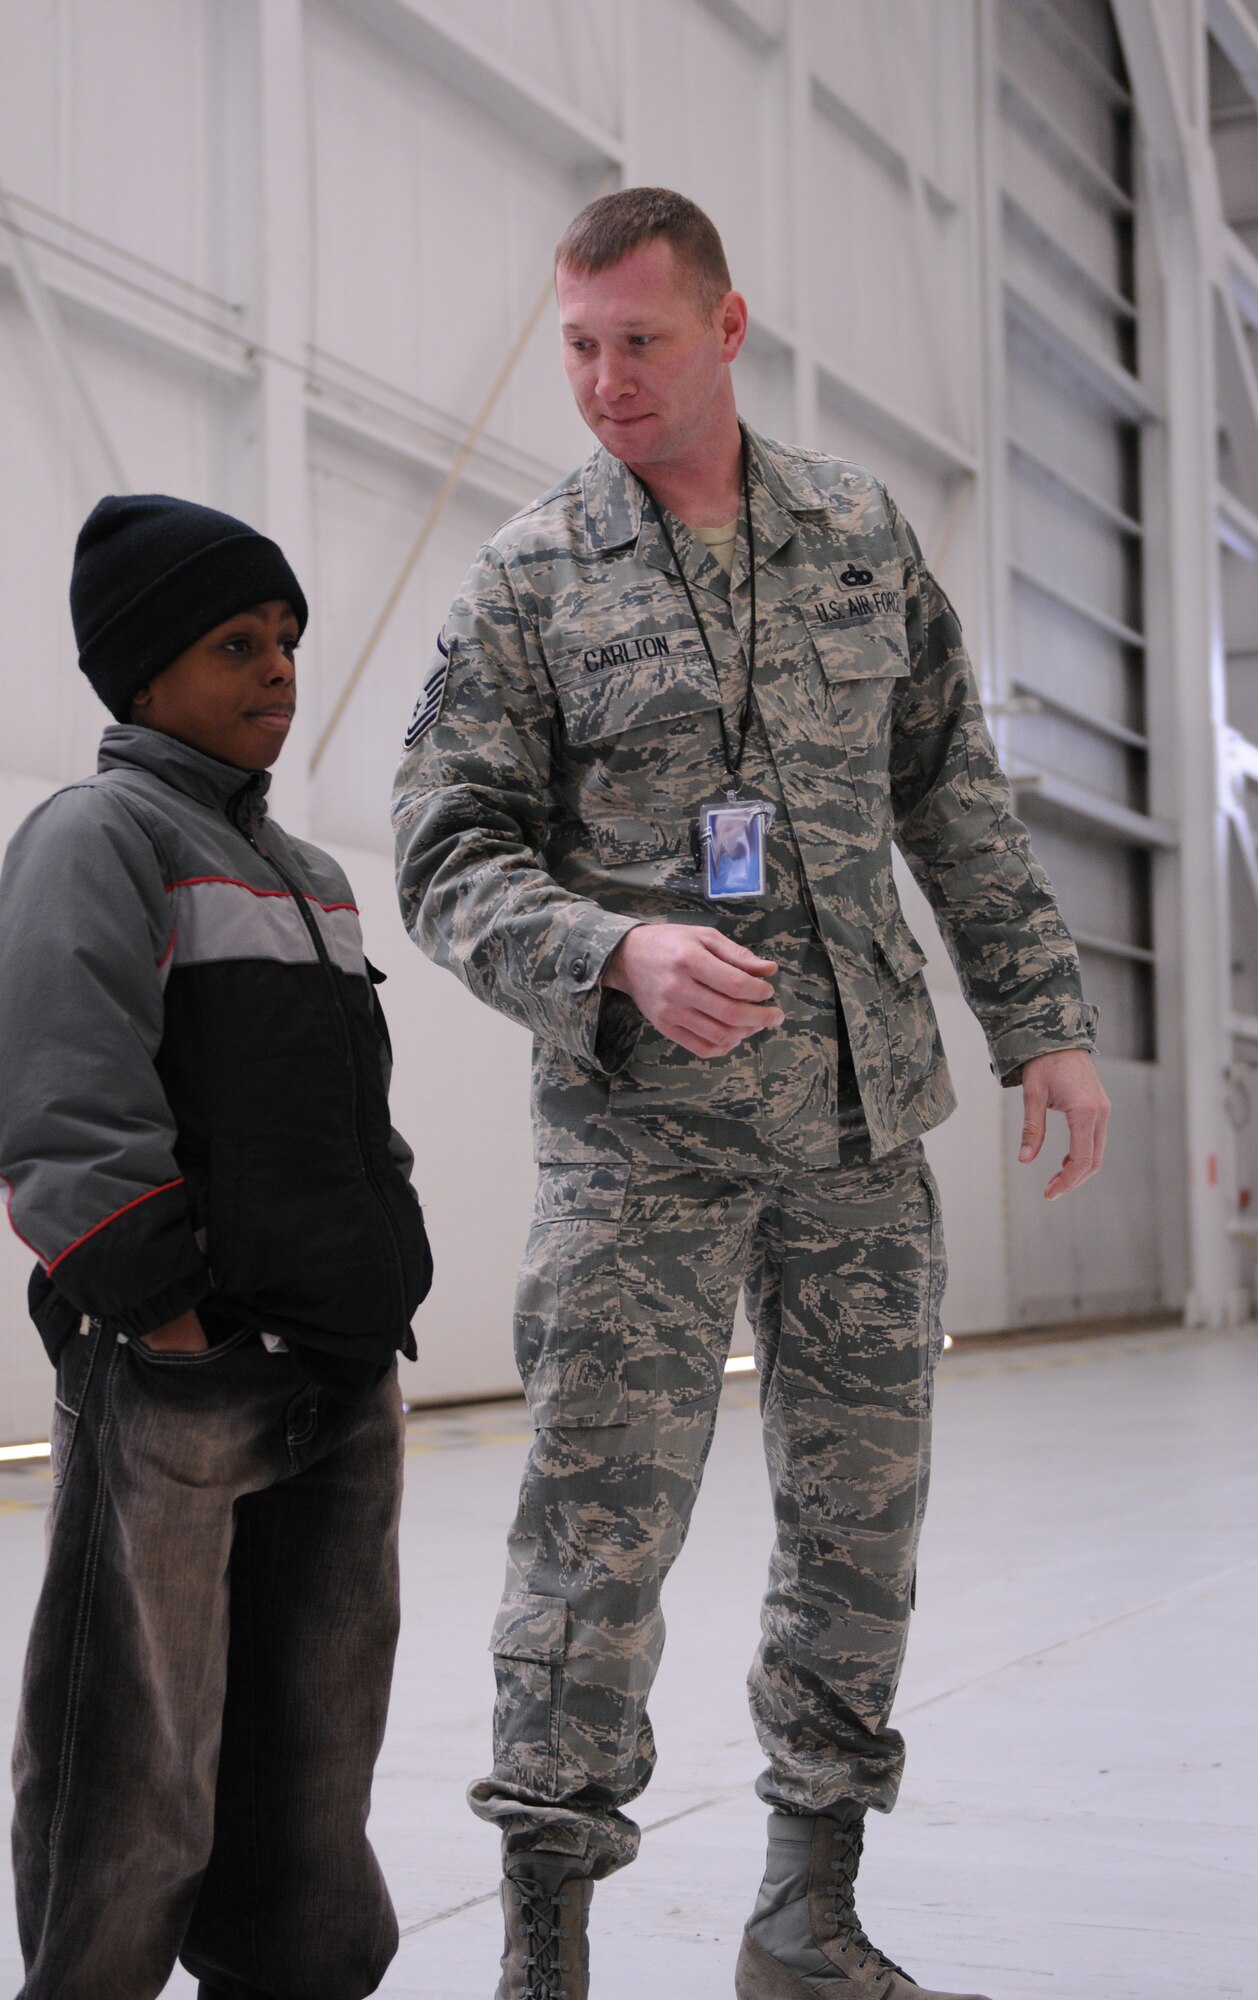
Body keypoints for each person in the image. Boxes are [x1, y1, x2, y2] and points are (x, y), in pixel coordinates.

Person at [393, 187, 1109, 2000]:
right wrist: (613, 955)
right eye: (576, 347)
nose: (605, 383)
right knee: (595, 1531)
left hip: (863, 1131)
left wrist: (1045, 1020)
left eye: (639, 342)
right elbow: (444, 850)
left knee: (862, 1522)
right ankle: (544, 1946)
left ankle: (808, 1912)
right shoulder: (530, 577)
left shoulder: (861, 534)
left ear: (725, 328)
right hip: (641, 1146)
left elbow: (953, 791)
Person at [0, 494, 433, 2000]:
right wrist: (167, 1333)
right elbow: (60, 1102)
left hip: (337, 1384)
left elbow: (346, 1123)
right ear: (138, 676)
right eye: (237, 642)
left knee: (312, 1770)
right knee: (139, 1765)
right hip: (183, 1392)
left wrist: (385, 1295)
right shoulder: (97, 835)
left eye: (291, 641)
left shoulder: (309, 875)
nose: (280, 671)